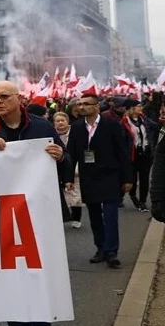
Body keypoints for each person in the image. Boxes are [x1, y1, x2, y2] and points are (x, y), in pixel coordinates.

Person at [0, 81, 69, 326]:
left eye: (4, 96)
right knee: (10, 276)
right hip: (2, 215)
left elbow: (65, 161)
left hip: (39, 214)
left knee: (39, 273)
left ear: (19, 99)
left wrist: (61, 156)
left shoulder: (43, 128)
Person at [65, 93, 133, 269]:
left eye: (86, 104)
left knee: (110, 215)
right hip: (89, 176)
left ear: (96, 107)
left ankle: (112, 252)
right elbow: (71, 154)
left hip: (110, 175)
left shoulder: (112, 126)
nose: (81, 107)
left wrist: (128, 178)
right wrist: (68, 177)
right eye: (79, 104)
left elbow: (122, 152)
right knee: (94, 215)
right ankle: (101, 248)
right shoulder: (77, 127)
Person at [54, 112, 83, 228]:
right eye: (58, 121)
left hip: (73, 166)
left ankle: (76, 218)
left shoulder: (75, 133)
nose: (60, 123)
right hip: (58, 166)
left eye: (63, 120)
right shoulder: (52, 135)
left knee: (74, 193)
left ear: (67, 122)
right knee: (59, 193)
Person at [124, 99, 153, 212]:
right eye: (138, 106)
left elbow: (155, 126)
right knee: (133, 180)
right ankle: (133, 196)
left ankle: (142, 202)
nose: (141, 108)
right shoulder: (125, 122)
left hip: (145, 154)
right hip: (132, 155)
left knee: (144, 179)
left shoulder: (144, 119)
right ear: (132, 108)